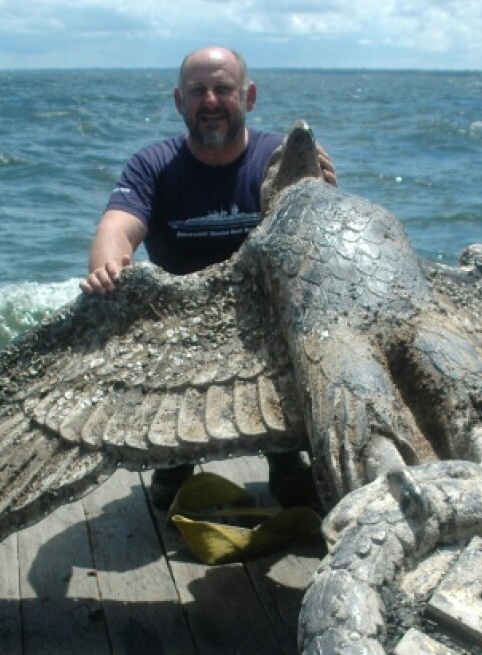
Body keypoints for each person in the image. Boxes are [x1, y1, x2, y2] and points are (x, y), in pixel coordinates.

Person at [82, 45, 336, 510]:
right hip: (181, 324)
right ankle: (174, 458)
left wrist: (325, 198)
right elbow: (116, 226)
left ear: (249, 96)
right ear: (180, 101)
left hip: (264, 319)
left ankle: (286, 460)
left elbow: (320, 246)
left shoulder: (280, 158)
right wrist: (108, 268)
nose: (211, 101)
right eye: (198, 91)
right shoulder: (152, 165)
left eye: (223, 89)